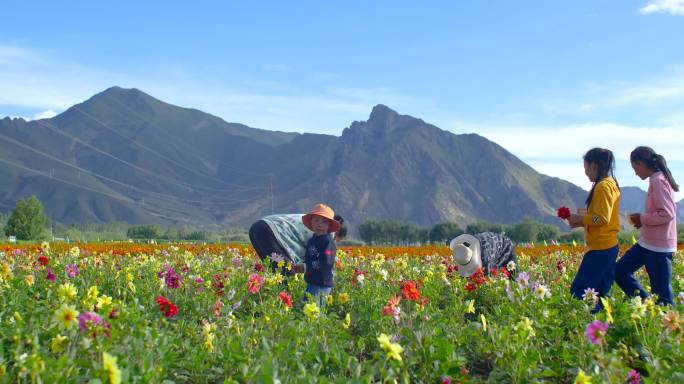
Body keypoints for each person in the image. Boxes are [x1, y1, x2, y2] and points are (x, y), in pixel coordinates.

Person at [615, 147, 678, 306]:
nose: (635, 172)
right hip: (648, 243)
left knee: (662, 294)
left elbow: (667, 213)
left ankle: (667, 324)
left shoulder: (658, 181)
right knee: (620, 271)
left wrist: (642, 218)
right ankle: (646, 305)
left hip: (658, 246)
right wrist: (642, 219)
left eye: (634, 167)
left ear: (641, 163)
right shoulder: (656, 179)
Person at [567, 148, 621, 312]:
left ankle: (589, 324)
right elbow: (599, 216)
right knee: (599, 293)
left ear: (594, 166)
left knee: (580, 292)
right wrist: (581, 219)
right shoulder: (610, 184)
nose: (585, 172)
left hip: (600, 247)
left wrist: (582, 219)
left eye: (586, 168)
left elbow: (602, 218)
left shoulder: (603, 187)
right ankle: (603, 326)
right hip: (608, 246)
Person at [248, 208, 347, 275]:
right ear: (336, 230)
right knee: (287, 274)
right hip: (269, 231)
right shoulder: (326, 230)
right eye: (336, 240)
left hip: (258, 227)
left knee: (274, 272)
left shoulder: (314, 220)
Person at [301, 203, 340, 305]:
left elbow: (326, 262)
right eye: (316, 220)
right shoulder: (311, 240)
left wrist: (306, 267)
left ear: (329, 225)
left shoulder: (328, 242)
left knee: (316, 311)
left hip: (322, 283)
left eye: (324, 221)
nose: (319, 224)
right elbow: (309, 257)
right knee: (307, 308)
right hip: (311, 280)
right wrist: (302, 265)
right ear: (311, 222)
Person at [450, 232, 517, 277]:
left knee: (513, 276)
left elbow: (486, 279)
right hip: (490, 245)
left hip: (506, 246)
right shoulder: (465, 246)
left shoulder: (485, 257)